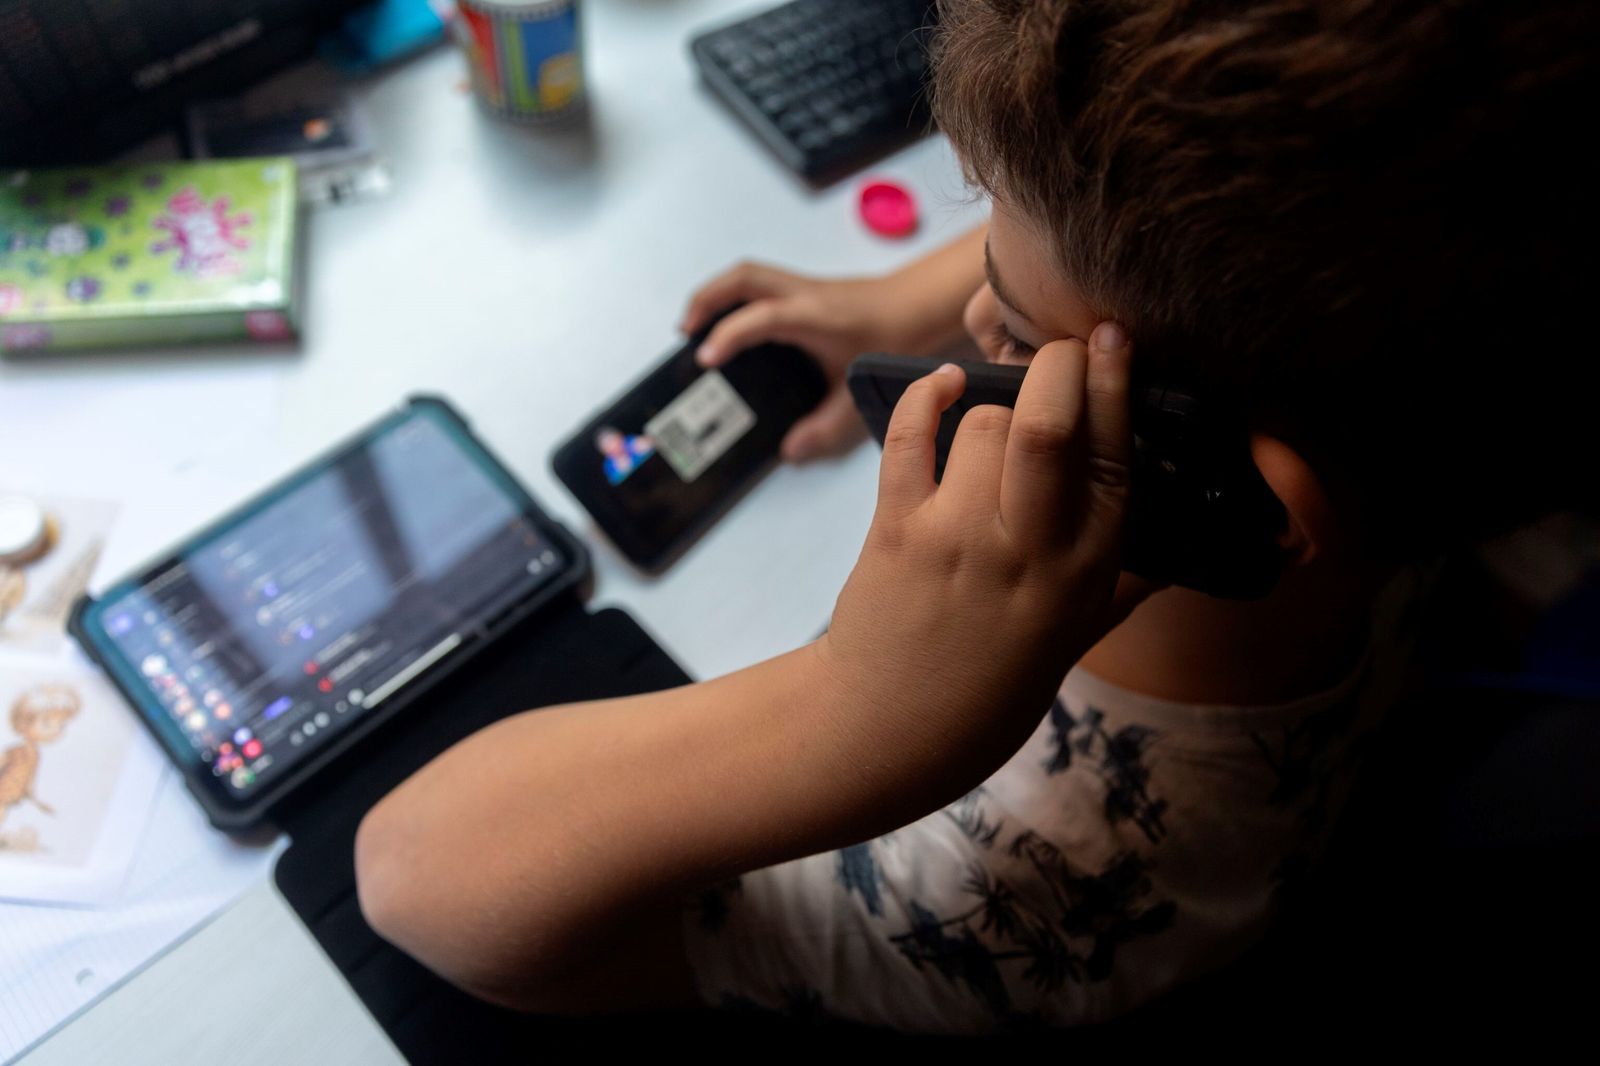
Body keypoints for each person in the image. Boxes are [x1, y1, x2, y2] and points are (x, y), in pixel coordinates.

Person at [352, 0, 1596, 1031]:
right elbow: (1185, 234)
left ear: (1240, 491)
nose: (973, 323)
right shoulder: (1435, 382)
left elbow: (414, 875)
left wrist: (848, 710)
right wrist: (901, 299)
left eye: (1015, 321)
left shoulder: (1032, 880)